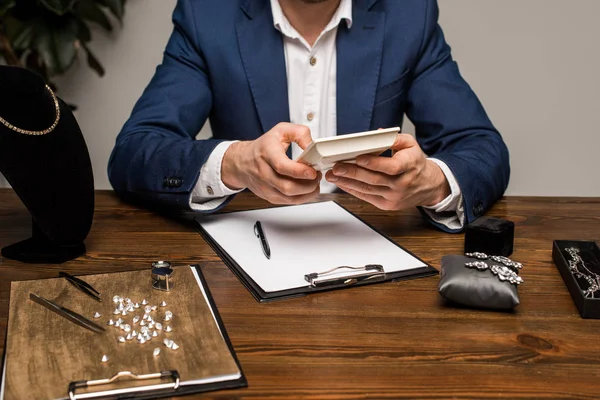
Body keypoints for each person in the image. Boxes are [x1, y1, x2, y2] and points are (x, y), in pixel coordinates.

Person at [108, 0, 510, 233]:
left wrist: (432, 182)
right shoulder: (207, 15)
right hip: (248, 250)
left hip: (373, 252)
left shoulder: (408, 15)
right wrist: (234, 164)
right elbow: (135, 150)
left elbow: (482, 148)